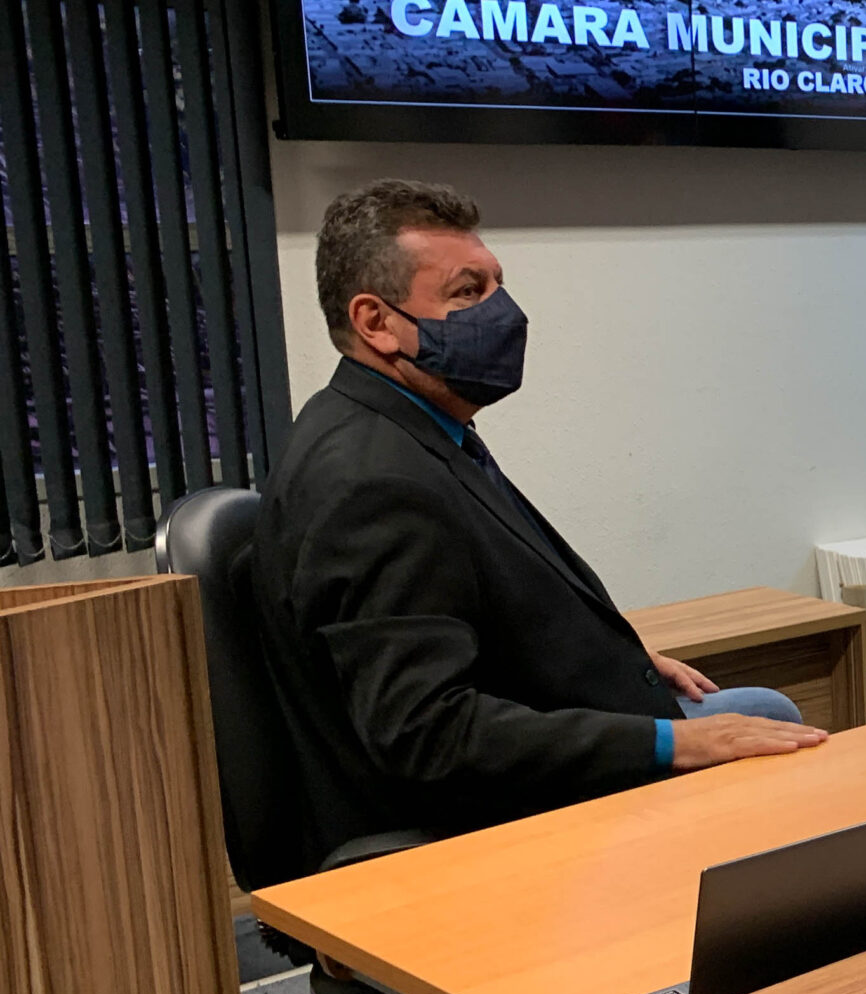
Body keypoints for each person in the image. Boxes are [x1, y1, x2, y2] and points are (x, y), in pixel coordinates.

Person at [256, 180, 826, 873]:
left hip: (523, 751)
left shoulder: (393, 426)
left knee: (766, 709)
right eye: (468, 292)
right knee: (775, 738)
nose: (503, 312)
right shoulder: (374, 482)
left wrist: (610, 657)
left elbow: (461, 600)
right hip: (485, 826)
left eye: (498, 284)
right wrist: (675, 745)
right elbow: (427, 734)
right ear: (377, 322)